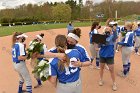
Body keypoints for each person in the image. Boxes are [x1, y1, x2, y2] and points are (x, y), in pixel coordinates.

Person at [99, 26, 118, 91]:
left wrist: (115, 30)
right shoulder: (102, 37)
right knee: (101, 68)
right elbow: (99, 45)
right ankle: (101, 79)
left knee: (111, 70)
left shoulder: (112, 37)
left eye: (109, 30)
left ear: (111, 31)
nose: (108, 31)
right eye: (106, 30)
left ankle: (114, 83)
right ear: (104, 31)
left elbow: (115, 36)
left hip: (110, 56)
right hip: (102, 55)